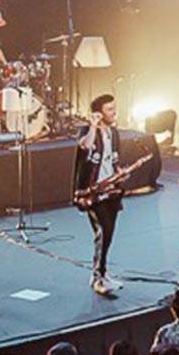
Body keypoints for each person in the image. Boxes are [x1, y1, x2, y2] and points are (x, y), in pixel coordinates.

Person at [75, 94, 129, 296]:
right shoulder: (88, 130)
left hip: (111, 189)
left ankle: (103, 273)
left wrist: (120, 173)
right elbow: (85, 147)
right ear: (99, 112)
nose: (114, 113)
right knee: (102, 231)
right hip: (93, 190)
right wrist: (93, 126)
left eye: (114, 109)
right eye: (109, 109)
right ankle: (97, 277)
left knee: (110, 233)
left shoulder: (114, 132)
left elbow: (114, 158)